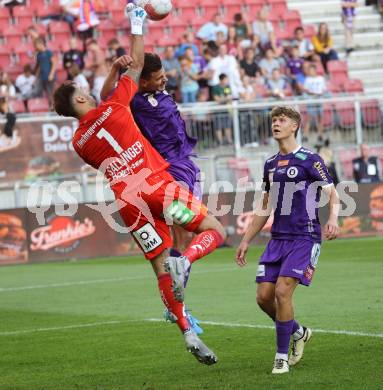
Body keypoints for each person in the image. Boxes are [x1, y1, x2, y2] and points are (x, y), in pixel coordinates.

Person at [54, 5, 226, 365]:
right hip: (159, 188)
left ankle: (186, 329)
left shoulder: (79, 143)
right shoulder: (117, 106)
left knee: (159, 264)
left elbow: (102, 116)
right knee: (213, 229)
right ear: (83, 99)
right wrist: (136, 22)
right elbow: (134, 63)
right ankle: (189, 259)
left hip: (129, 204)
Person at [236, 106, 340, 374]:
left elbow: (333, 195)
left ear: (294, 126)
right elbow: (265, 206)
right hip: (278, 239)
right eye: (274, 120)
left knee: (283, 292)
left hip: (304, 237)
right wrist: (247, 239)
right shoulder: (270, 164)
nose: (276, 123)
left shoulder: (310, 159)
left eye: (282, 119)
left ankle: (281, 357)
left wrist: (333, 219)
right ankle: (299, 332)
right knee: (263, 298)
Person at [302, 64, 328, 142]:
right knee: (309, 118)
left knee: (320, 118)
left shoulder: (321, 78)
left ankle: (320, 135)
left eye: (312, 70)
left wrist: (320, 94)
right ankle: (305, 136)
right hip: (311, 100)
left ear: (315, 70)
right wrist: (312, 93)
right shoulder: (307, 79)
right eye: (309, 70)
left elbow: (324, 89)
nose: (311, 72)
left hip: (319, 100)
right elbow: (305, 90)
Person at [33, 37, 57, 107]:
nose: (35, 47)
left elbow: (54, 63)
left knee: (51, 92)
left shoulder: (48, 52)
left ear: (40, 44)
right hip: (43, 77)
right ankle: (49, 106)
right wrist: (36, 77)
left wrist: (51, 74)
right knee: (45, 92)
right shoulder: (38, 55)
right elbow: (39, 67)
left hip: (50, 77)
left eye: (36, 45)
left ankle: (54, 107)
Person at [212, 73, 233, 146]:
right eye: (226, 79)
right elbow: (217, 99)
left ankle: (229, 141)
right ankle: (220, 142)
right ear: (222, 80)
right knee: (218, 127)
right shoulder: (215, 88)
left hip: (226, 109)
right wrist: (225, 99)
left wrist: (222, 98)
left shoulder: (227, 87)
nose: (227, 81)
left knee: (228, 126)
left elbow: (229, 97)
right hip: (218, 110)